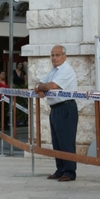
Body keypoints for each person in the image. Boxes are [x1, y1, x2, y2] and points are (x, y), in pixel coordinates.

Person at [34, 45, 78, 182]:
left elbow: (52, 85)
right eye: (52, 55)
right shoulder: (53, 70)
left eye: (57, 55)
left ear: (64, 56)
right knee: (57, 141)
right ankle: (60, 169)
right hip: (55, 108)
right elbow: (42, 82)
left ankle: (70, 171)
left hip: (66, 107)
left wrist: (41, 88)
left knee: (66, 141)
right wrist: (40, 87)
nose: (54, 58)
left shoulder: (66, 70)